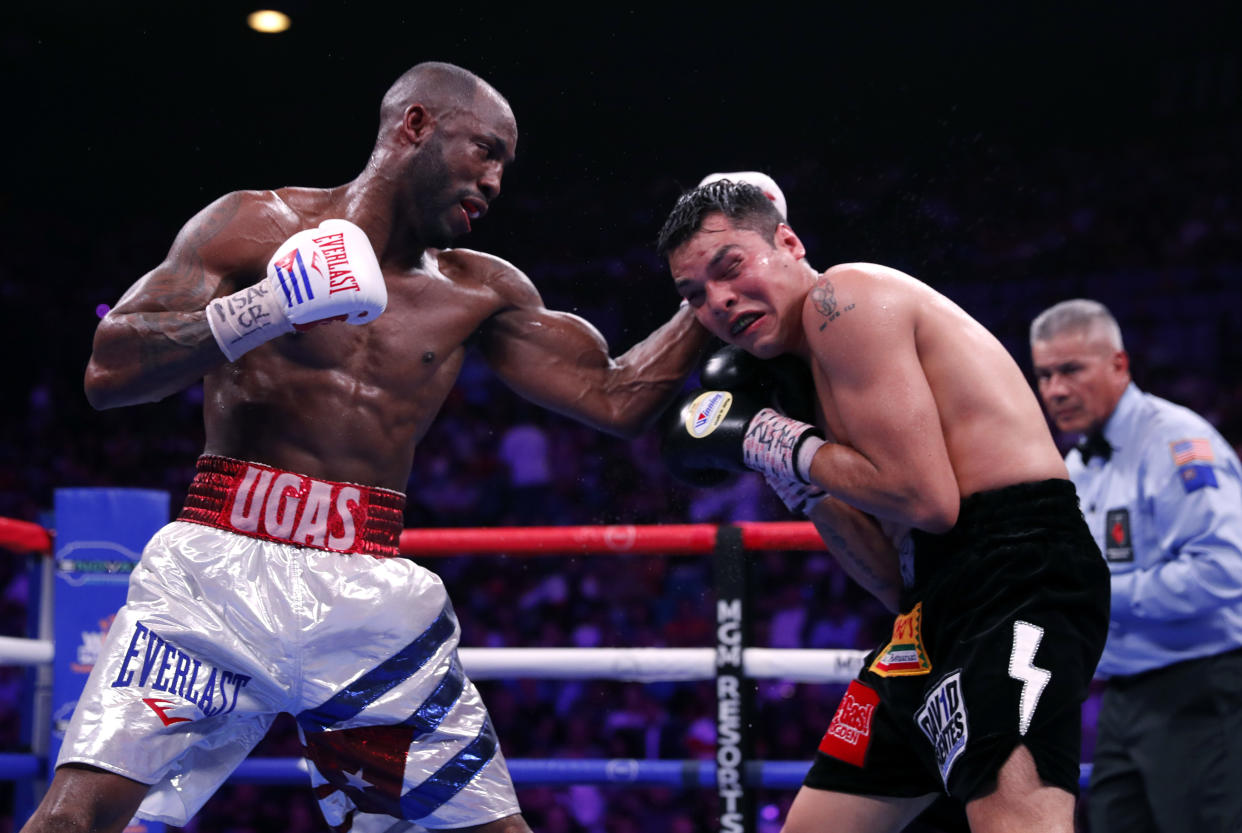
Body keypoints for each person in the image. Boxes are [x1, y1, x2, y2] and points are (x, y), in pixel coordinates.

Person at [22, 62, 710, 833]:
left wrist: (712, 290)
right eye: (483, 150)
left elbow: (614, 398)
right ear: (414, 126)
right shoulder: (255, 225)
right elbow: (108, 370)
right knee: (74, 820)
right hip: (213, 575)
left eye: (504, 165)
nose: (494, 180)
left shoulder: (481, 290)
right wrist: (270, 303)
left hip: (365, 603)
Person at [657, 179, 1109, 833]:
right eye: (695, 296)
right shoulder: (807, 379)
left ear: (788, 242)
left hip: (1021, 575)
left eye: (730, 267)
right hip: (935, 600)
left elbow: (927, 499)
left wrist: (772, 437)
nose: (720, 301)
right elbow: (894, 581)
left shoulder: (845, 299)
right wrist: (796, 476)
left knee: (1018, 819)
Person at [1029, 299, 1242, 833]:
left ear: (1119, 365)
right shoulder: (1076, 465)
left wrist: (1095, 592)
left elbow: (1223, 568)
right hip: (1121, 693)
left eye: (1071, 370)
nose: (1055, 389)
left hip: (1199, 683)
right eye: (1045, 374)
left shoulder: (1177, 444)